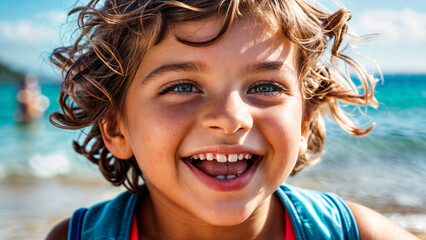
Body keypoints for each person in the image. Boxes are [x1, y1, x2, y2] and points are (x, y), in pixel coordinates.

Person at [46, 0, 418, 239]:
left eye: (266, 86)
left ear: (305, 121)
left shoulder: (355, 234)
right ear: (116, 128)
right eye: (182, 87)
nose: (231, 118)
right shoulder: (77, 237)